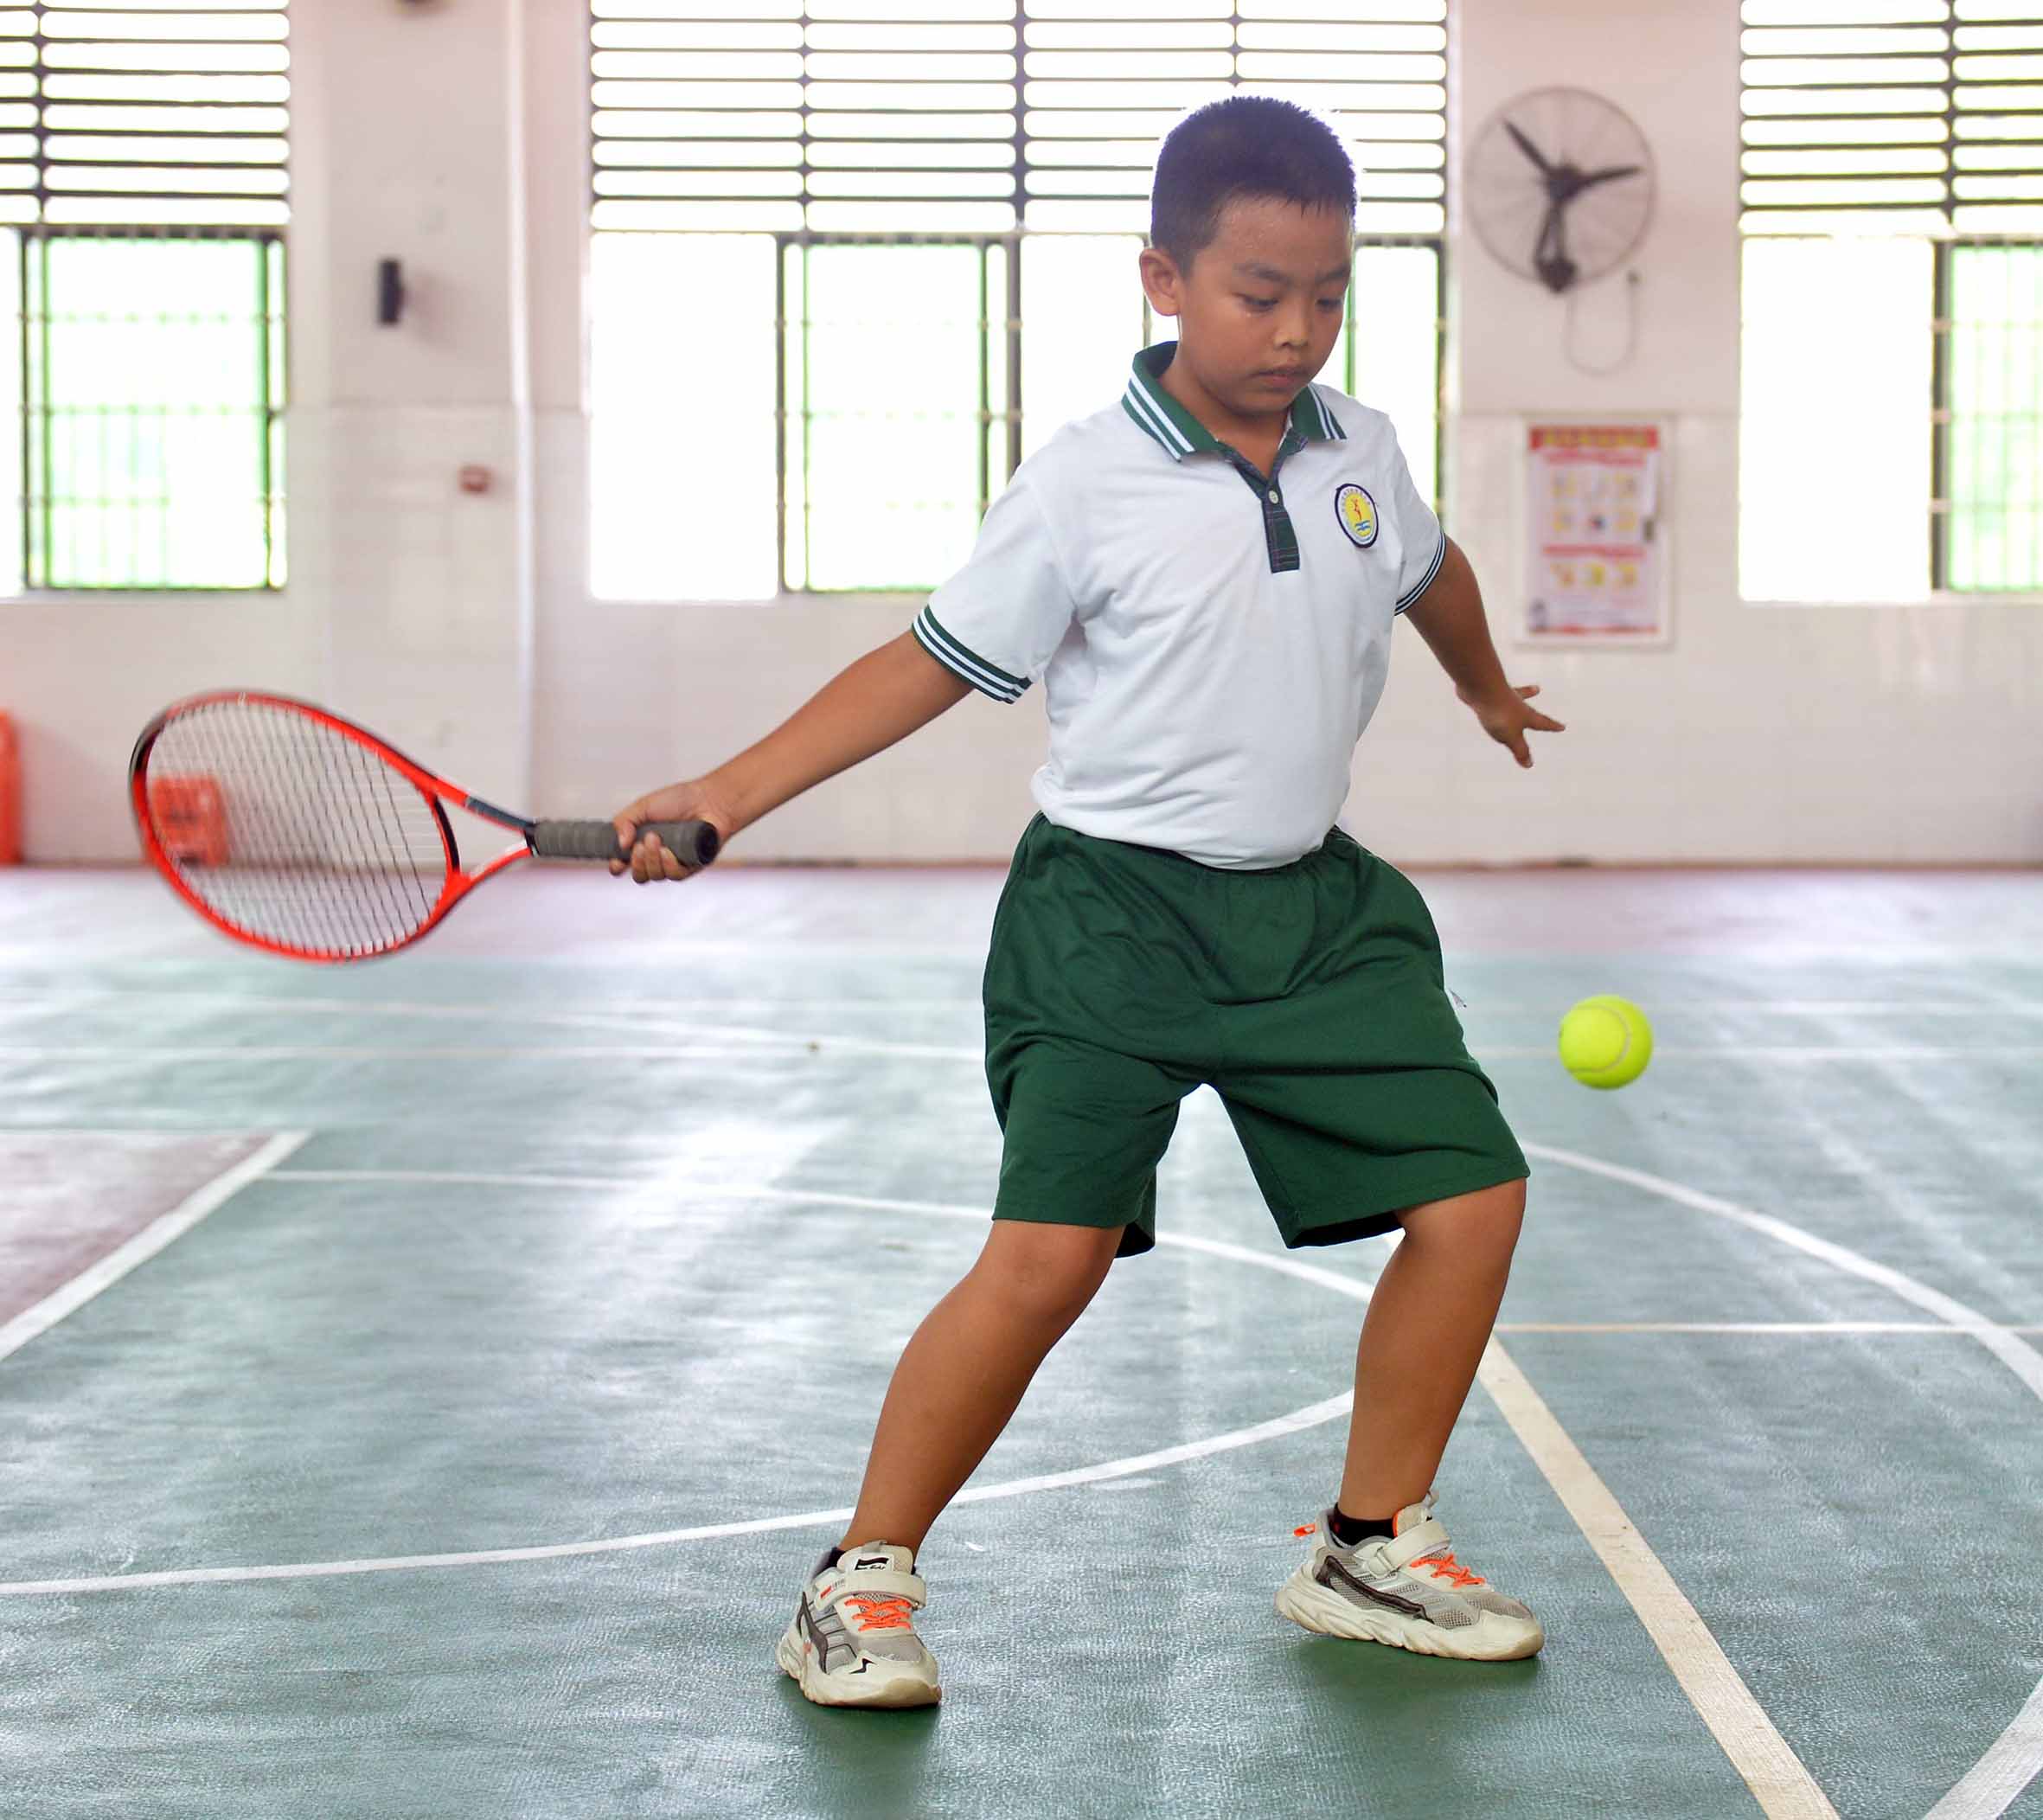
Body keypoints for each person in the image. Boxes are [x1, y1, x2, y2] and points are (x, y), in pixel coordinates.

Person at [612, 95, 1566, 1710]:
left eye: (1327, 293)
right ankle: (858, 1582)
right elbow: (925, 662)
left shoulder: (1357, 447)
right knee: (1045, 1261)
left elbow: (1429, 569)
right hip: (1108, 920)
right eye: (1257, 292)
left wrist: (1481, 687)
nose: (1294, 328)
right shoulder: (1084, 482)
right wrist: (727, 790)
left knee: (1474, 1204)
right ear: (1161, 279)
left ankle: (1365, 1541)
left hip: (1317, 918)